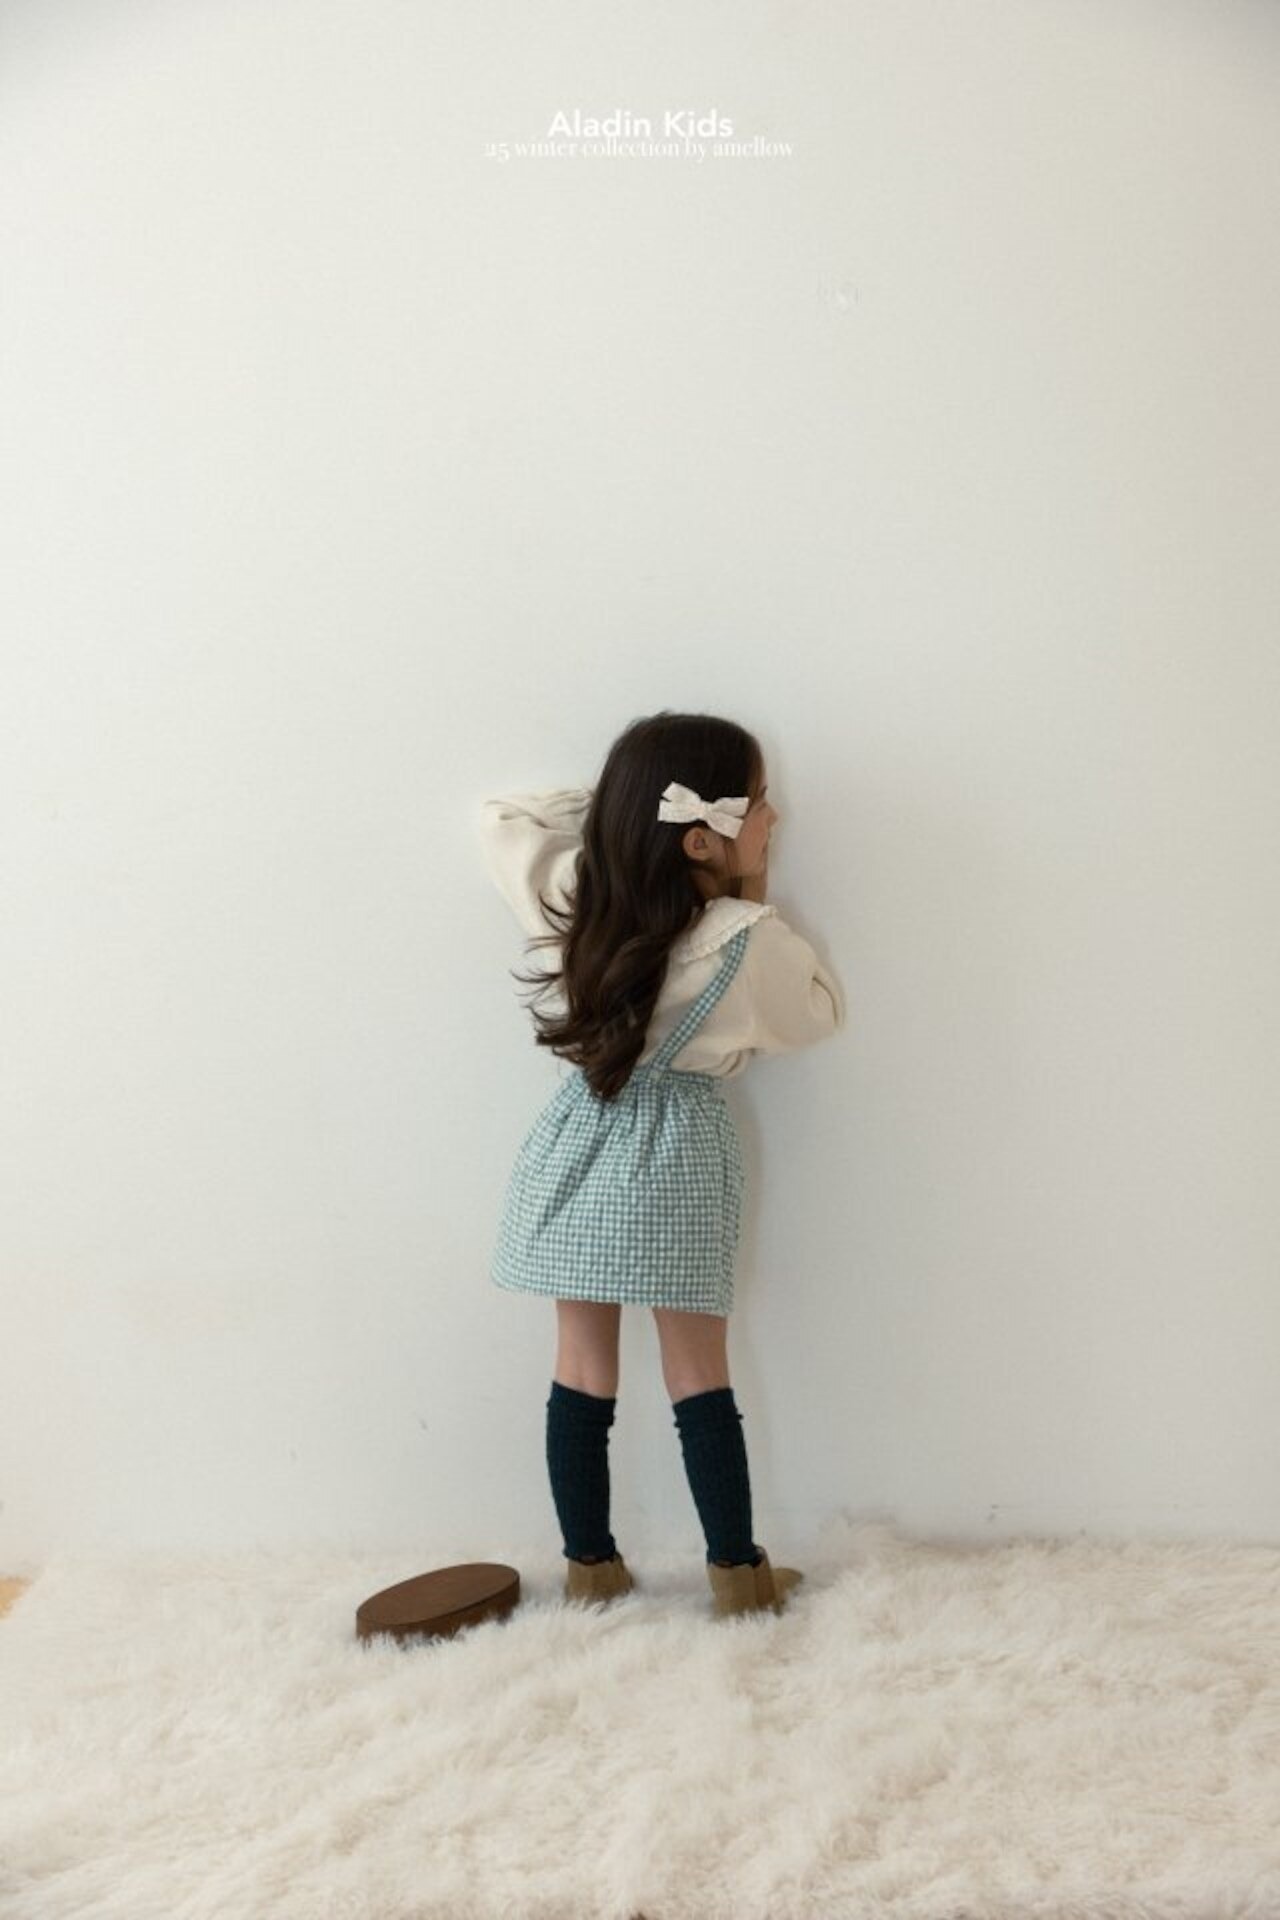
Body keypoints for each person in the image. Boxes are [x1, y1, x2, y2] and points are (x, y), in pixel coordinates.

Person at [475, 710, 845, 1618]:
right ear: (701, 837)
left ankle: (590, 1568)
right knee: (699, 1375)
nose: (774, 817)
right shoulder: (745, 939)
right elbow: (818, 1011)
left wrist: (622, 815)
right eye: (758, 802)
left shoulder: (573, 896)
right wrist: (752, 887)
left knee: (579, 1368)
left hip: (577, 1144)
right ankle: (737, 1575)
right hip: (676, 1162)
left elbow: (503, 818)